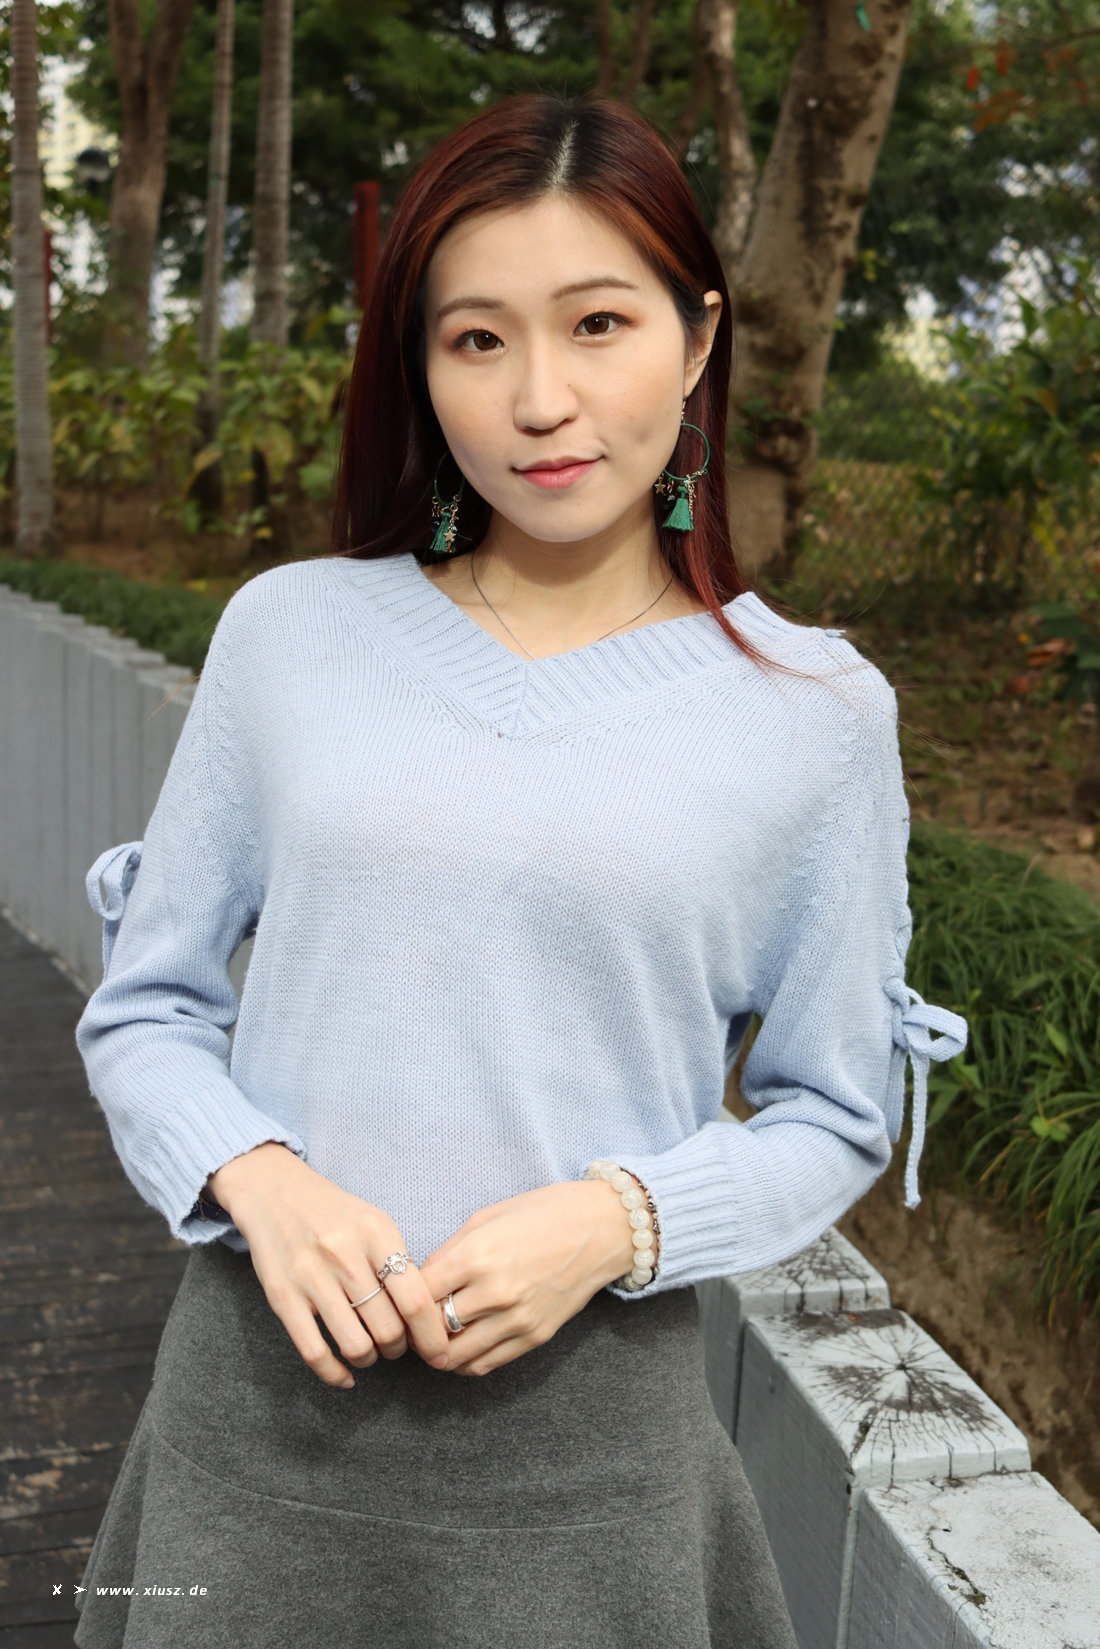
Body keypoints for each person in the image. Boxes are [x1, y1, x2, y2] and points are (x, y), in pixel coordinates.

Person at [71, 91, 967, 1649]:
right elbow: (147, 1007)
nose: (541, 399)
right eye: (476, 339)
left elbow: (834, 1112)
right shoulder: (290, 633)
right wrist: (258, 1176)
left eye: (598, 323)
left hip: (589, 1476)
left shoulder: (815, 716)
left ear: (696, 338)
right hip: (256, 1435)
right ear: (419, 367)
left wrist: (620, 1220)